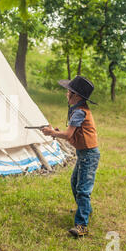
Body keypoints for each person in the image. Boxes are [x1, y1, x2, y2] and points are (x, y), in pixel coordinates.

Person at [41, 75, 100, 237]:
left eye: (70, 92)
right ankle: (85, 210)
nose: (67, 94)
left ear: (77, 96)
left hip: (89, 154)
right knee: (75, 183)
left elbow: (68, 135)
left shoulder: (80, 112)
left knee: (82, 189)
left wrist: (53, 132)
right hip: (84, 154)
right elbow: (70, 134)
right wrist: (57, 133)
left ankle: (82, 225)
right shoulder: (78, 110)